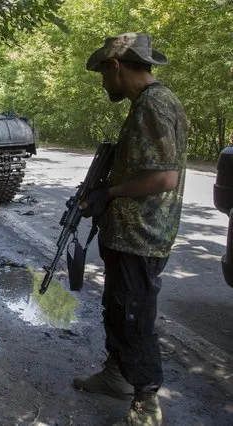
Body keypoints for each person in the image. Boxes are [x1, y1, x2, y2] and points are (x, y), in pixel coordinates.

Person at [76, 33, 188, 426]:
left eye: (103, 74)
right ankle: (116, 376)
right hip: (128, 233)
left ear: (116, 66)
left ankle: (146, 403)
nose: (104, 83)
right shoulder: (147, 103)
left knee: (133, 317)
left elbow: (163, 179)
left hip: (142, 236)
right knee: (118, 308)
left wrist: (111, 193)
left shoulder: (153, 105)